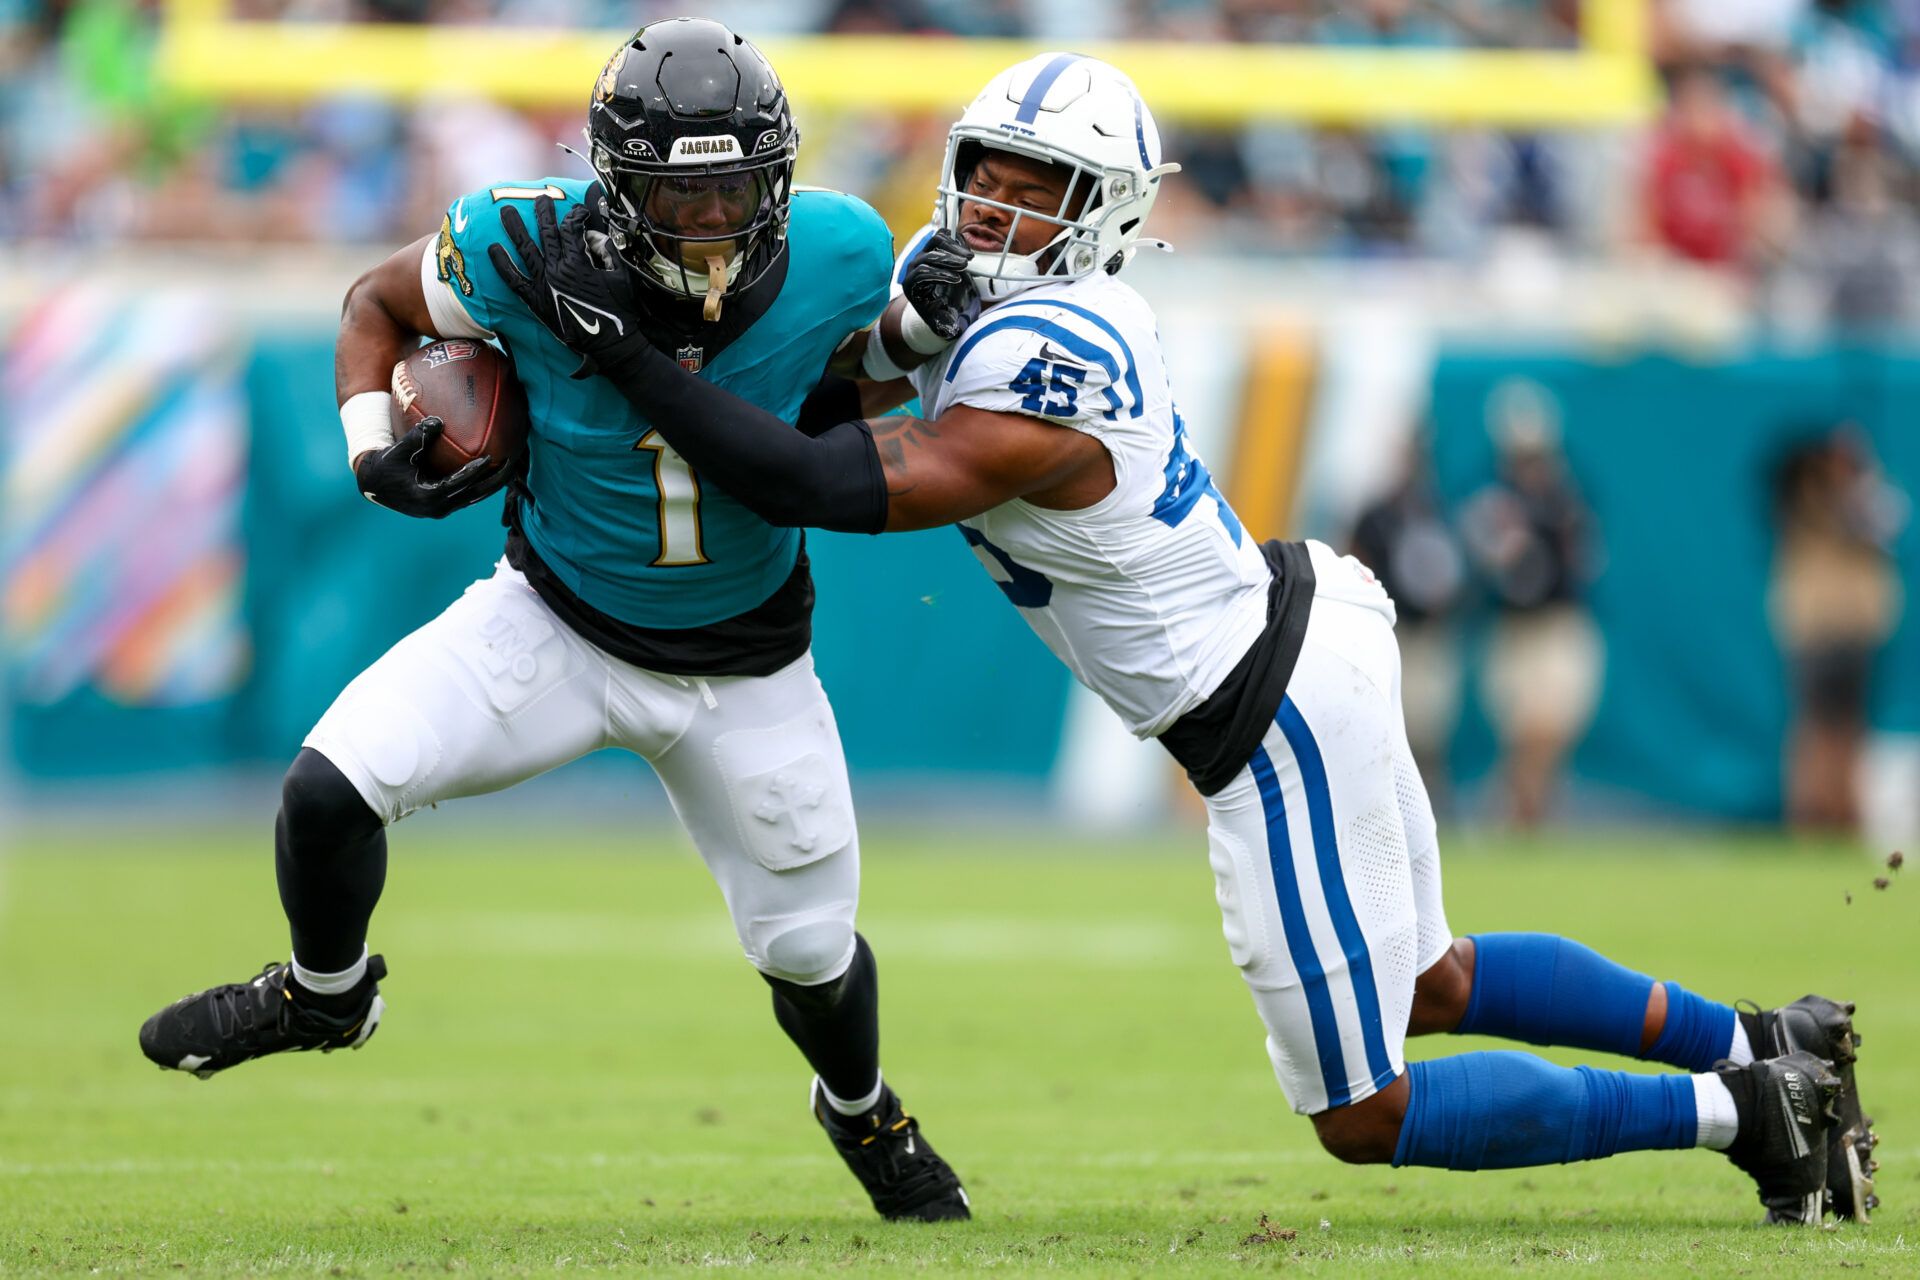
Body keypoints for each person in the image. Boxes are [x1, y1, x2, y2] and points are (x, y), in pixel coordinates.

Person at [492, 50, 1880, 1225]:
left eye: (1040, 190)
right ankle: (1763, 1040)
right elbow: (837, 403)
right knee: (1433, 979)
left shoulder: (1044, 355)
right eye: (985, 169)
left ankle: (1743, 1111)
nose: (994, 207)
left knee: (1365, 1109)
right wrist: (897, 327)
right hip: (1296, 636)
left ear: (1107, 215)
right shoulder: (1011, 306)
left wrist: (624, 356)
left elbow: (804, 478)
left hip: (1263, 709)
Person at [135, 18, 969, 1225]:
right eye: (680, 198)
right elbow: (374, 301)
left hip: (747, 660)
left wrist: (916, 333)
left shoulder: (841, 247)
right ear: (613, 190)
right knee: (326, 789)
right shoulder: (515, 238)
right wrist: (371, 449)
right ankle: (327, 993)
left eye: (737, 188)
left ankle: (863, 1109)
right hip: (557, 621)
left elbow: (843, 386)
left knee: (809, 953)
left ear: (780, 177)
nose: (713, 220)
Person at [1457, 380, 1601, 828]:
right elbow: (1474, 563)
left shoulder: (1567, 501)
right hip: (1513, 630)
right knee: (1525, 734)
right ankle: (1521, 820)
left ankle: (1518, 813)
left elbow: (1585, 563)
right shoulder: (1490, 501)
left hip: (1558, 625)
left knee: (1550, 732)